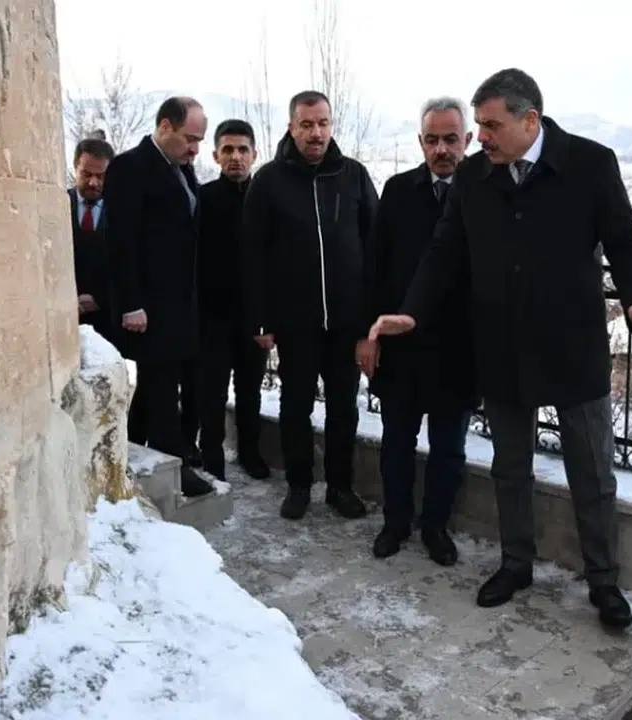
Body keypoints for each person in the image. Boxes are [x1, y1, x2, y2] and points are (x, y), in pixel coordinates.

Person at [368, 69, 632, 629]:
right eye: (479, 126)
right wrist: (413, 310)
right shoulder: (474, 176)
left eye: (490, 125)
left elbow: (625, 241)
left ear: (529, 120)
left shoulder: (590, 163)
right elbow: (443, 252)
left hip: (573, 348)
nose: (480, 137)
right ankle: (515, 564)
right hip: (503, 347)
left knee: (592, 473)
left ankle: (604, 581)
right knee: (510, 469)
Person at [242, 90, 379, 521]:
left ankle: (340, 487)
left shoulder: (353, 175)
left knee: (343, 409)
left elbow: (376, 245)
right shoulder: (268, 181)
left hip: (345, 321)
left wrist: (370, 322)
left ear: (331, 125)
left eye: (322, 123)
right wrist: (260, 319)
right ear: (292, 127)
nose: (315, 133)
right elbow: (252, 254)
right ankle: (299, 486)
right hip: (295, 321)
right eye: (306, 124)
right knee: (295, 407)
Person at [358, 97, 476, 567]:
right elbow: (374, 268)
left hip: (458, 350)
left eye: (451, 139)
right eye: (432, 140)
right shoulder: (398, 190)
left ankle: (435, 528)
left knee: (449, 448)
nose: (441, 149)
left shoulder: (483, 193)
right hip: (402, 348)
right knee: (396, 444)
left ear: (467, 140)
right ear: (420, 142)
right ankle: (395, 523)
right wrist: (367, 335)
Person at [103, 96, 214, 498]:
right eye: (190, 138)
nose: (195, 149)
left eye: (199, 141)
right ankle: (175, 467)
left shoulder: (181, 168)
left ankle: (130, 453)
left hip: (180, 303)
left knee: (158, 385)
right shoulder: (130, 168)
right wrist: (131, 303)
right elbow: (121, 241)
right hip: (149, 306)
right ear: (165, 126)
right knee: (164, 388)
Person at [196, 119, 271, 481]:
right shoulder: (203, 198)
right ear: (216, 155)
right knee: (211, 392)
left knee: (250, 391)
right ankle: (212, 458)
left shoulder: (266, 198)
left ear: (254, 154)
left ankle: (250, 453)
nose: (236, 157)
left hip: (254, 317)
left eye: (243, 149)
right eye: (228, 150)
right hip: (212, 316)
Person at [69, 137, 116, 343]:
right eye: (86, 174)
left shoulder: (123, 210)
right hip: (64, 320)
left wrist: (100, 298)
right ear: (75, 169)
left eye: (101, 176)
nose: (93, 183)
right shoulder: (55, 205)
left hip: (109, 322)